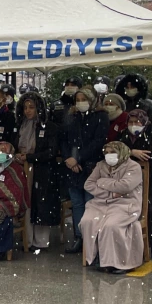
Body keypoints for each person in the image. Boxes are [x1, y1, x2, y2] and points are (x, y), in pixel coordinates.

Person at [78, 141, 144, 274]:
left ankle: (119, 262)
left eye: (112, 152)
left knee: (110, 226)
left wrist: (102, 182)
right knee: (88, 221)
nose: (109, 155)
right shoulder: (101, 165)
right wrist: (110, 193)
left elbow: (125, 186)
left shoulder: (133, 166)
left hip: (125, 204)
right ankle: (99, 257)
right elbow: (88, 184)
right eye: (106, 152)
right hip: (101, 203)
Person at [60, 86, 110, 253]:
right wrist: (70, 159)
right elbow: (64, 139)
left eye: (84, 100)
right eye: (78, 100)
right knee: (77, 203)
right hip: (72, 166)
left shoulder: (101, 116)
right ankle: (79, 237)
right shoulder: (71, 116)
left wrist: (79, 157)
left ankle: (92, 237)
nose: (81, 103)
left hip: (91, 166)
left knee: (91, 203)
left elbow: (98, 141)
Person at [14, 93, 58, 249]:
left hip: (42, 170)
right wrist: (18, 155)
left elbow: (51, 152)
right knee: (26, 202)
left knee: (40, 204)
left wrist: (31, 157)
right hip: (22, 168)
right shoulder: (20, 125)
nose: (28, 111)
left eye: (31, 107)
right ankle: (27, 239)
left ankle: (40, 242)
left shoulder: (49, 126)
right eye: (25, 107)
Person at [119, 108, 152, 259]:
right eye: (131, 122)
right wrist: (132, 152)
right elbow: (115, 150)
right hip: (127, 181)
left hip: (151, 180)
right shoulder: (123, 135)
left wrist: (129, 152)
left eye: (137, 122)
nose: (134, 125)